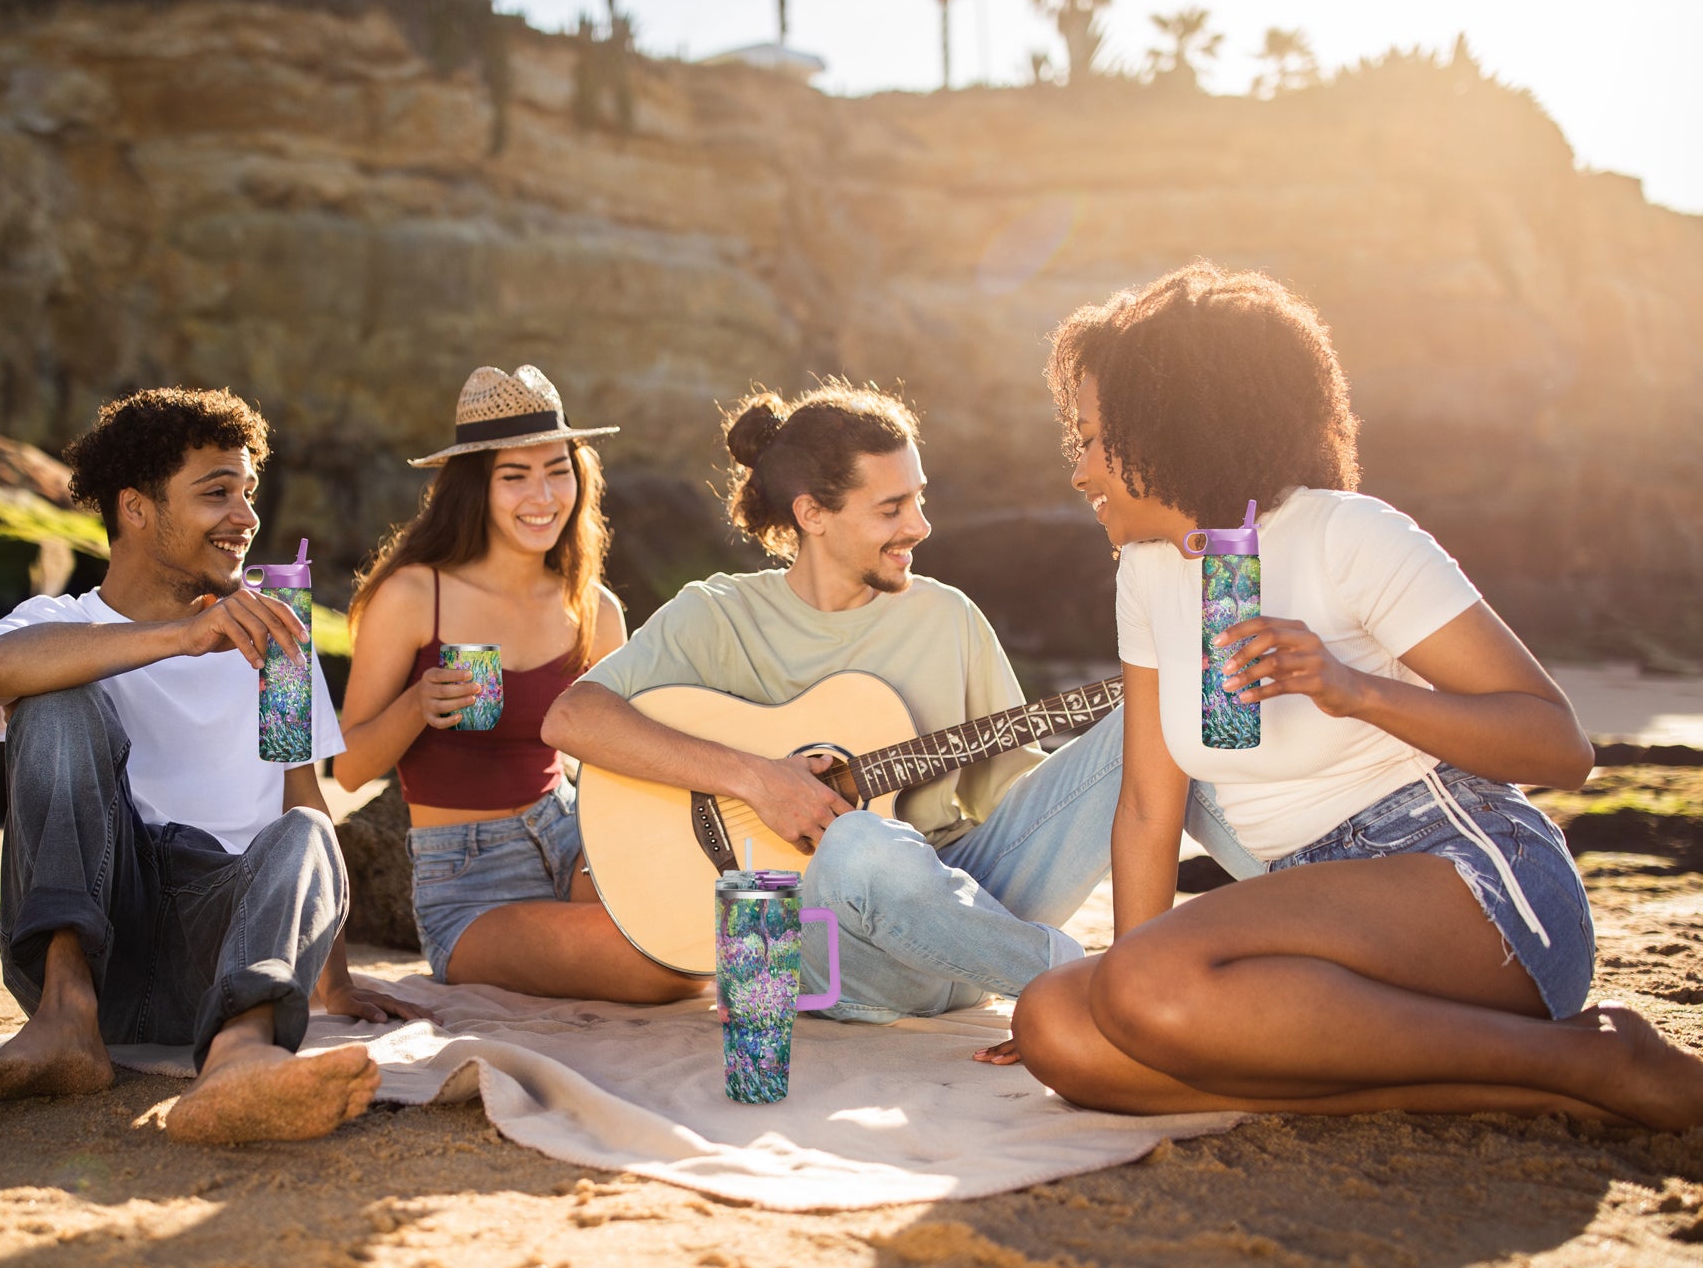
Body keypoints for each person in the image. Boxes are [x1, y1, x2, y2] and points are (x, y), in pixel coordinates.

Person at [993, 262, 1703, 1130]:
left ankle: (1588, 1053)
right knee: (1058, 1027)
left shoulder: (1348, 535)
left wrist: (1351, 688)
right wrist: (1121, 1011)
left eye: (1092, 440)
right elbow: (1147, 803)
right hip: (1304, 922)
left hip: (1471, 887)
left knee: (1140, 987)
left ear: (1166, 426)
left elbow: (1561, 750)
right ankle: (1553, 1079)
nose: (1079, 472)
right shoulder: (1146, 573)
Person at [543, 377, 1261, 1023]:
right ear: (812, 514)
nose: (919, 525)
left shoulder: (947, 617)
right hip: (833, 955)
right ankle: (1095, 985)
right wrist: (758, 779)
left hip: (966, 912)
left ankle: (1305, 899)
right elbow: (571, 718)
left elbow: (1012, 800)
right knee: (860, 843)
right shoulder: (717, 615)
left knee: (1159, 714)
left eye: (918, 498)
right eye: (892, 507)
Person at [0, 387, 414, 1144]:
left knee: (305, 829)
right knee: (56, 698)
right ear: (135, 509)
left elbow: (306, 798)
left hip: (224, 955)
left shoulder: (275, 642)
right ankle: (65, 1017)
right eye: (216, 492)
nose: (246, 516)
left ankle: (239, 1055)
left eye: (248, 493)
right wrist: (178, 638)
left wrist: (335, 978)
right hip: (100, 932)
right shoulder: (58, 625)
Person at [333, 365, 702, 1003]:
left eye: (558, 469)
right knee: (667, 967)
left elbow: (625, 756)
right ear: (476, 487)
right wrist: (418, 705)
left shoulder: (595, 608)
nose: (543, 495)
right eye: (515, 475)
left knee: (699, 924)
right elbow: (346, 769)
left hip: (573, 838)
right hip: (471, 881)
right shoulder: (417, 594)